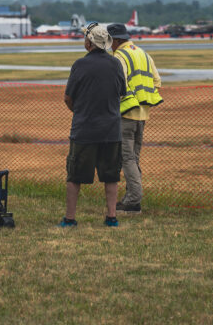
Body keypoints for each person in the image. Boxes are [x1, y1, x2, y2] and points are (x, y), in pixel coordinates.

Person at [60, 23, 126, 227]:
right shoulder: (115, 64)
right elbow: (121, 93)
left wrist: (80, 112)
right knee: (111, 176)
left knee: (75, 176)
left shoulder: (80, 65)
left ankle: (70, 218)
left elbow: (68, 98)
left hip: (84, 129)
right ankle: (111, 217)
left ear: (89, 42)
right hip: (111, 130)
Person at [106, 22, 163, 215]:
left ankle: (133, 200)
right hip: (142, 114)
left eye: (110, 41)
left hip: (126, 113)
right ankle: (132, 199)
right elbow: (157, 82)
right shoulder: (143, 54)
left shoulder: (120, 56)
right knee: (134, 158)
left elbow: (117, 82)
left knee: (127, 158)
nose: (109, 45)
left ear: (117, 39)